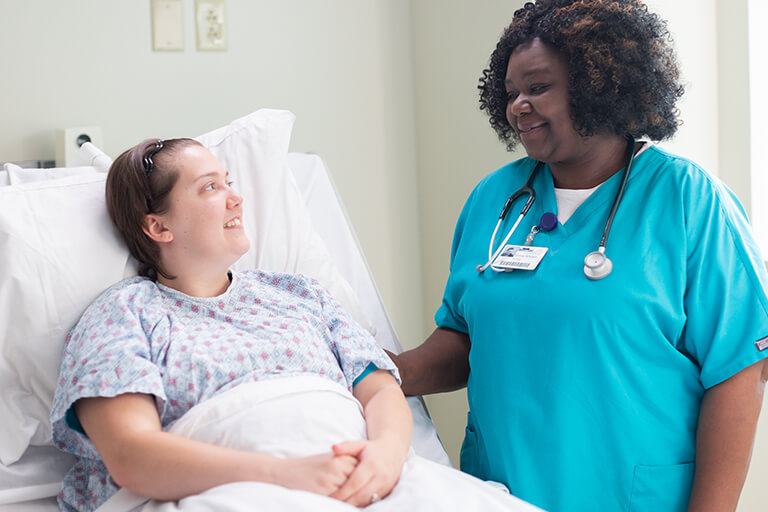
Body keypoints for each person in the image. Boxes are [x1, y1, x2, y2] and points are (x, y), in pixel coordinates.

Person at [387, 1, 768, 511]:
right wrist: (389, 372)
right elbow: (464, 335)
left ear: (600, 87)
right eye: (511, 93)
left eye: (538, 88)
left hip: (634, 496)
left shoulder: (688, 200)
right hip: (502, 493)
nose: (518, 105)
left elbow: (738, 369)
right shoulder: (494, 200)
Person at [50, 138, 538, 512]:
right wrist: (289, 475)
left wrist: (387, 456)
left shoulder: (297, 293)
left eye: (229, 180)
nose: (235, 199)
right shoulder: (123, 315)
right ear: (158, 227)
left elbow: (380, 387)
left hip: (363, 474)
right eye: (210, 188)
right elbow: (132, 455)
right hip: (237, 488)